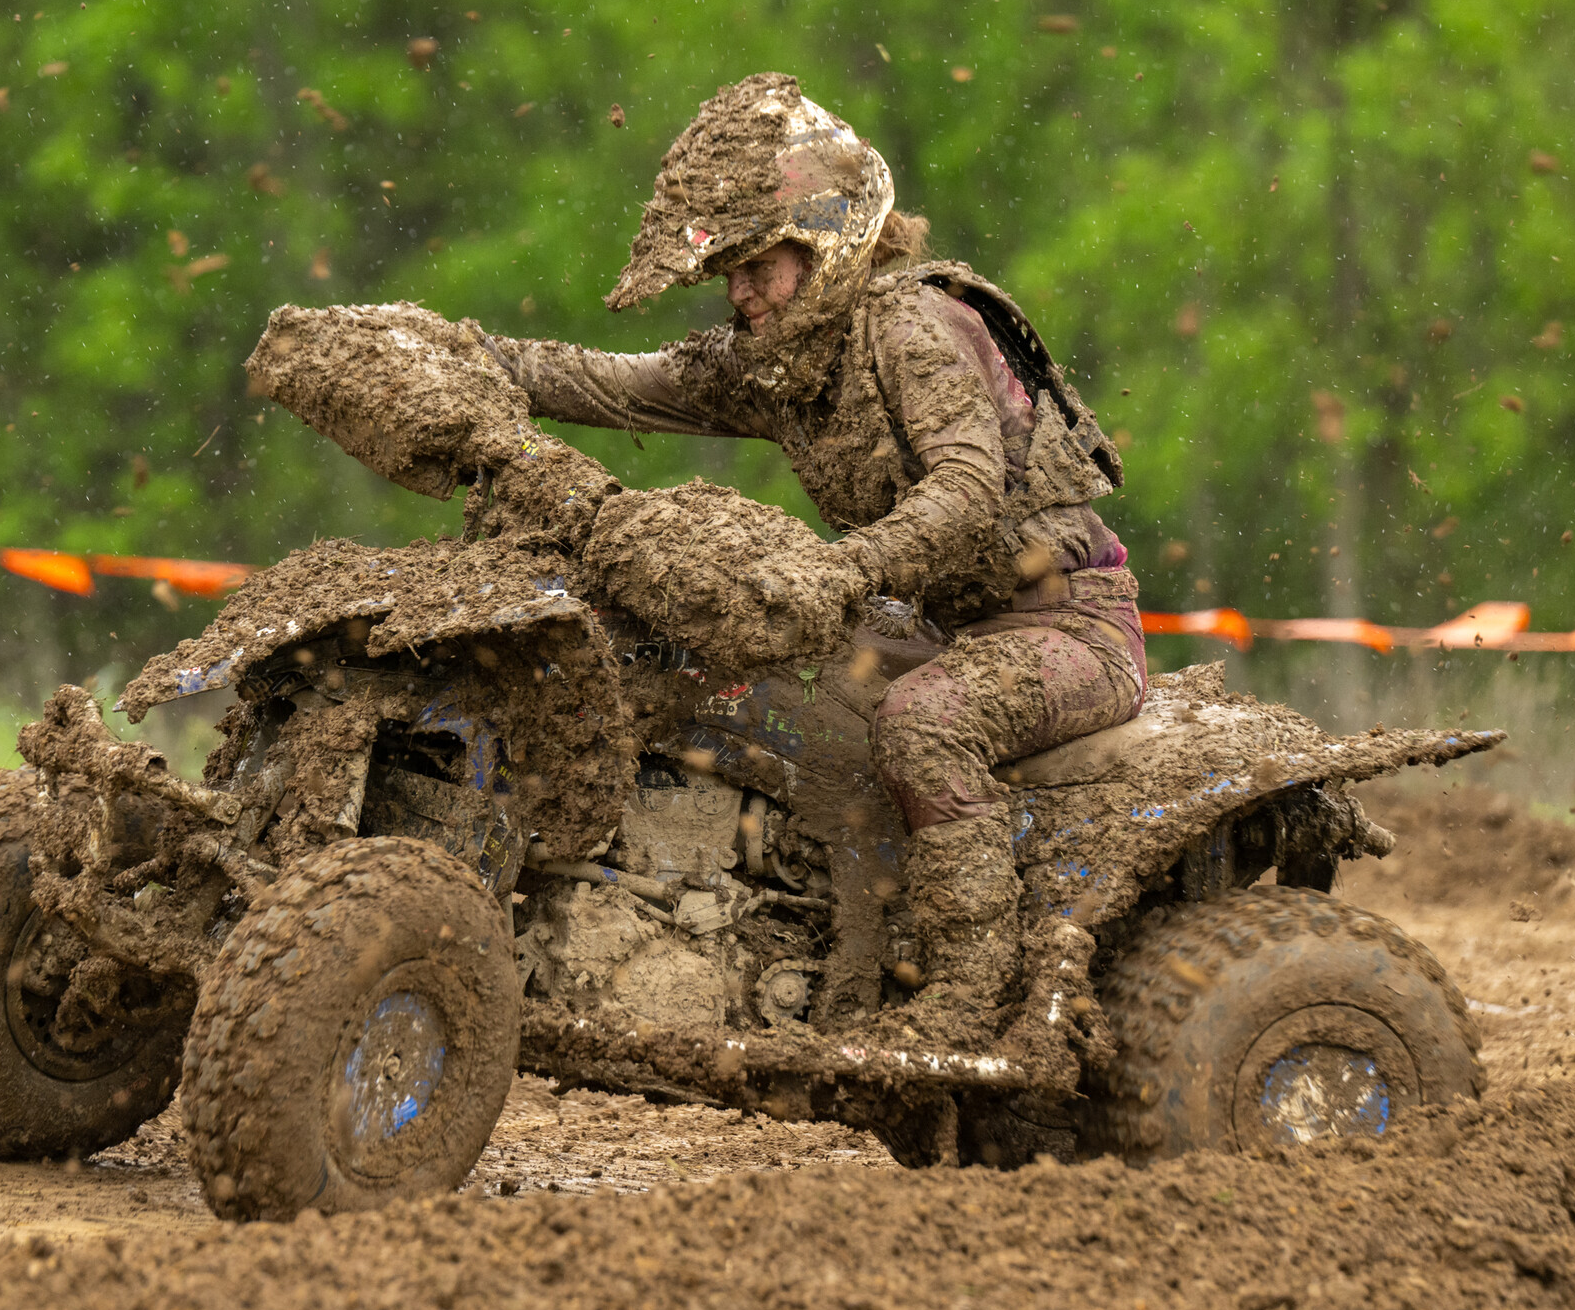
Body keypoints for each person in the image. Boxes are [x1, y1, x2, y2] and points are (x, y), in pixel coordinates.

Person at [482, 73, 1143, 1051]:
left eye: (759, 264)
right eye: (731, 274)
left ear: (829, 240)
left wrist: (847, 568)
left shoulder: (914, 325)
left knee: (921, 725)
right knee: (766, 698)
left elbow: (963, 489)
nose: (741, 292)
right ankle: (823, 963)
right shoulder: (779, 365)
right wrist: (469, 359)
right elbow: (618, 384)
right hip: (940, 630)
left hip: (1067, 623)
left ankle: (967, 994)